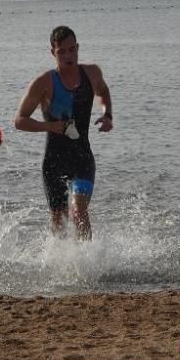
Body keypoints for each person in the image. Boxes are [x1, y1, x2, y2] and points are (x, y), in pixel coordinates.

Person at [14, 25, 113, 240]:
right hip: (54, 161)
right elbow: (19, 120)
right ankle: (59, 264)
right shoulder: (43, 83)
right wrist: (49, 126)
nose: (68, 56)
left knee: (79, 211)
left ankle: (87, 264)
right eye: (62, 52)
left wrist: (107, 115)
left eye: (72, 50)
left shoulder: (92, 73)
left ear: (77, 47)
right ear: (53, 53)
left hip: (82, 158)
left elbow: (103, 91)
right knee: (59, 220)